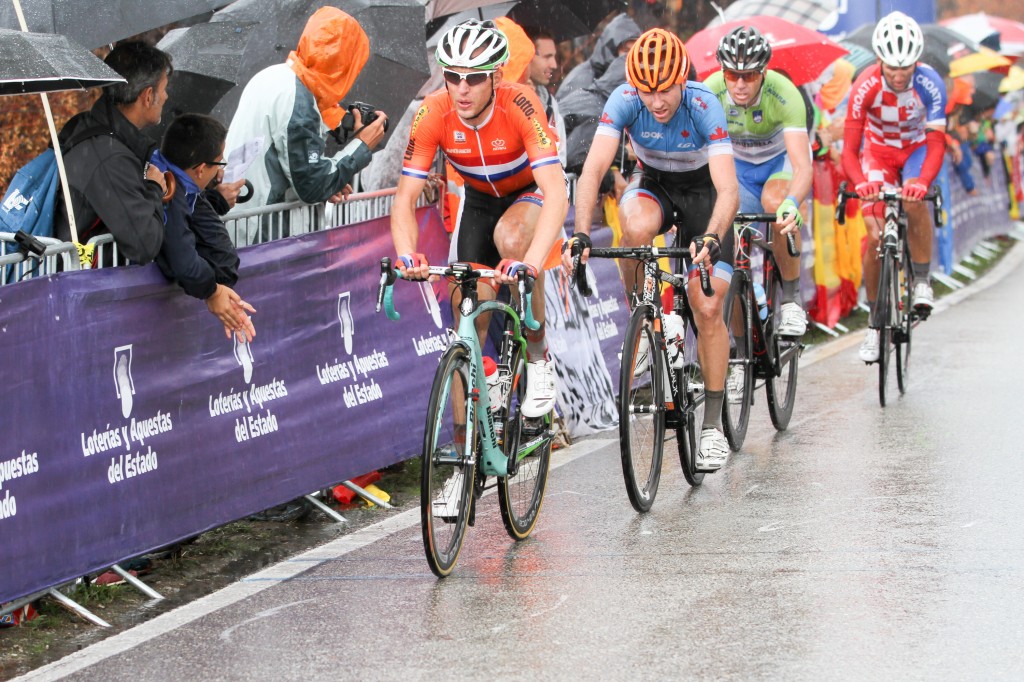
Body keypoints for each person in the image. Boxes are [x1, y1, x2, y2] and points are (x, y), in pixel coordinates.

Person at [564, 29, 740, 471]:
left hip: (704, 195)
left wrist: (713, 235)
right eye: (647, 91)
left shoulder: (704, 104)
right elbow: (592, 172)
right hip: (656, 184)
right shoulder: (624, 100)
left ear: (682, 80)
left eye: (664, 90)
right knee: (635, 225)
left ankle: (714, 425)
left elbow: (728, 189)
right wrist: (581, 233)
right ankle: (643, 319)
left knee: (706, 305)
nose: (656, 101)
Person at [391, 19, 568, 419]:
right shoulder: (433, 111)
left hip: (532, 194)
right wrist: (406, 254)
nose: (462, 89)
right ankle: (462, 453)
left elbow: (556, 194)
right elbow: (404, 199)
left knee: (512, 236)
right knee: (466, 313)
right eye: (453, 76)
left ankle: (538, 353)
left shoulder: (520, 102)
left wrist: (531, 264)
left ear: (497, 76)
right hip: (480, 201)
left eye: (473, 78)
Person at [223, 7, 387, 240]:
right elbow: (311, 185)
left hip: (238, 217)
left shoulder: (273, 75)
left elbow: (286, 163)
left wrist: (330, 181)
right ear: (344, 63)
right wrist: (361, 145)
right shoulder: (298, 101)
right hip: (261, 231)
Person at [704, 25, 812, 371]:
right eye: (732, 74)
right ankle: (737, 350)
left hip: (777, 167)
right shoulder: (710, 92)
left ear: (762, 73)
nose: (739, 84)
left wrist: (792, 203)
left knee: (776, 205)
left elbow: (802, 167)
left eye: (748, 75)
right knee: (728, 250)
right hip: (738, 174)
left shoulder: (785, 94)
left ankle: (792, 299)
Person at [841, 11, 947, 363]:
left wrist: (921, 181)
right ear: (879, 61)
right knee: (873, 238)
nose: (899, 76)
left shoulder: (930, 84)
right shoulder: (864, 87)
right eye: (892, 68)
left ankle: (920, 280)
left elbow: (936, 143)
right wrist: (861, 184)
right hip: (878, 154)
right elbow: (850, 152)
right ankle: (874, 325)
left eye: (906, 68)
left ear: (916, 61)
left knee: (915, 201)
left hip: (917, 149)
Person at [54, 42, 172, 264]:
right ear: (148, 96)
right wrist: (154, 189)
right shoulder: (110, 158)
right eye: (164, 89)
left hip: (80, 282)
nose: (166, 97)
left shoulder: (95, 131)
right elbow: (144, 244)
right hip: (84, 287)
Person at [150, 114, 256, 342]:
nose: (221, 171)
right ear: (200, 169)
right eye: (220, 162)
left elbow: (220, 255)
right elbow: (184, 262)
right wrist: (213, 292)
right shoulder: (168, 190)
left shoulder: (179, 178)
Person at [556, 13, 640, 101]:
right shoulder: (582, 78)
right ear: (611, 51)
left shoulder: (633, 79)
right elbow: (570, 111)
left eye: (634, 51)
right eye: (626, 51)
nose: (630, 56)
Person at [527, 28, 568, 166]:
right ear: (527, 56)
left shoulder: (549, 101)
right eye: (547, 57)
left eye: (554, 57)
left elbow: (560, 156)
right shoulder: (499, 99)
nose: (554, 65)